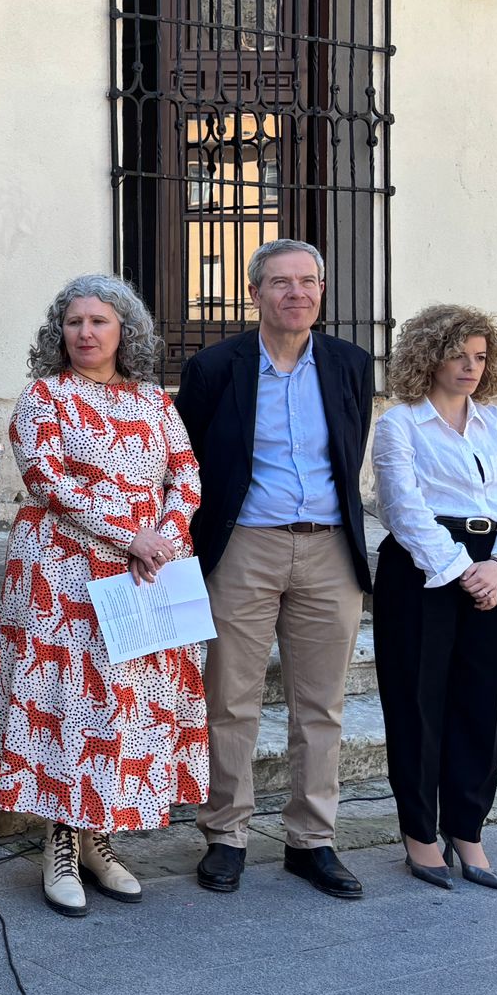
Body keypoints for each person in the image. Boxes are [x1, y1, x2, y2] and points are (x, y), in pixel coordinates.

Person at [0, 275, 207, 917]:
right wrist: (131, 533)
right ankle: (59, 843)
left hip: (145, 572)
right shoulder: (44, 396)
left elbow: (184, 473)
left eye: (99, 322)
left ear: (123, 332)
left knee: (120, 706)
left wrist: (164, 532)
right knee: (66, 703)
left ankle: (98, 838)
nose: (85, 333)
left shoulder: (155, 402)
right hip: (65, 574)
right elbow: (47, 478)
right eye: (74, 322)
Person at [176, 238, 375, 901]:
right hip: (245, 549)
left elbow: (350, 452)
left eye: (308, 282)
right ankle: (226, 834)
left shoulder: (349, 363)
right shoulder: (215, 368)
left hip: (329, 551)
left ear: (322, 290)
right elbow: (190, 464)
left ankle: (311, 841)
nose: (297, 293)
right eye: (281, 283)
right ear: (254, 293)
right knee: (230, 699)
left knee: (320, 705)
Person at [372, 305, 497, 891]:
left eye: (481, 356)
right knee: (417, 700)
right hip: (421, 569)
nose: (470, 366)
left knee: (480, 699)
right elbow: (403, 508)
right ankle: (419, 832)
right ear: (429, 356)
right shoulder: (400, 424)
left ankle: (467, 828)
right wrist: (461, 569)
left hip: (493, 568)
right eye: (458, 354)